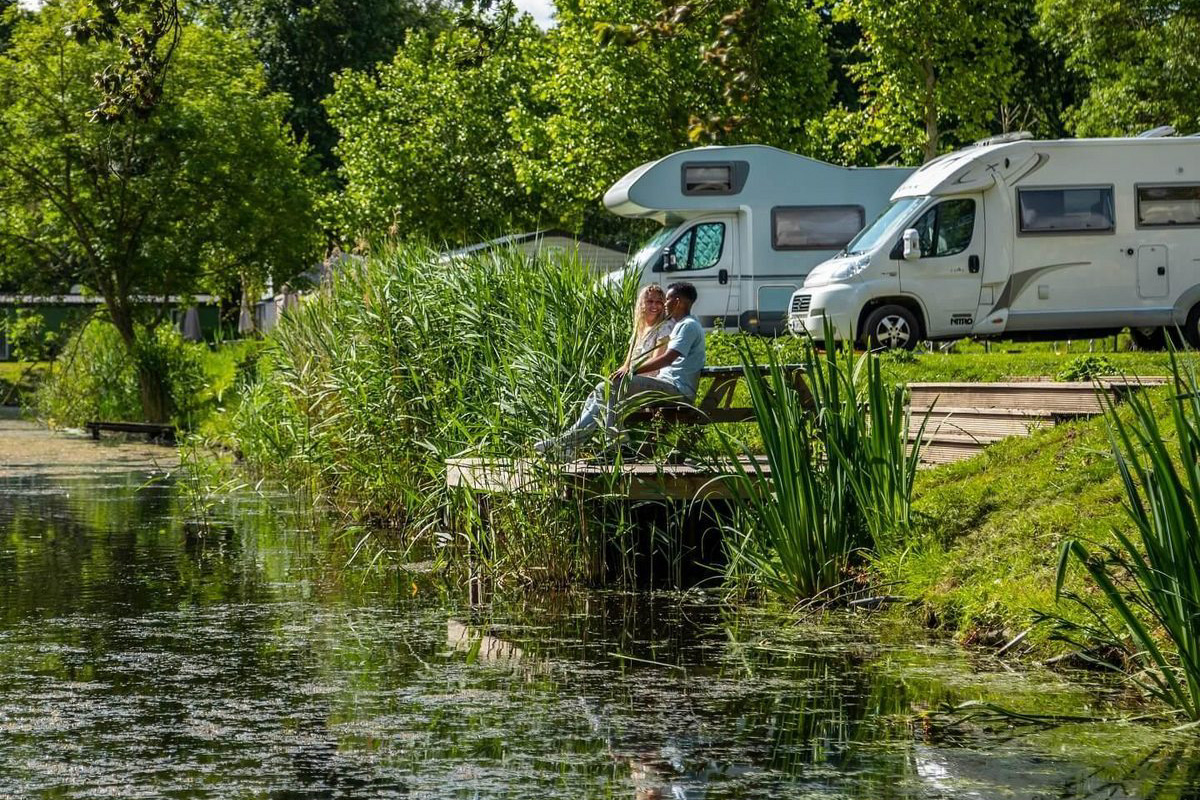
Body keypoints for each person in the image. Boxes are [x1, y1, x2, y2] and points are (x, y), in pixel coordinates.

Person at [535, 282, 705, 459]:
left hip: (677, 390)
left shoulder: (688, 326)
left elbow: (666, 358)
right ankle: (570, 444)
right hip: (668, 386)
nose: (664, 304)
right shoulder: (682, 325)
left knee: (610, 387)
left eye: (666, 299)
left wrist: (633, 371)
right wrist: (628, 371)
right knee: (601, 390)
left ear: (677, 302)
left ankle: (615, 445)